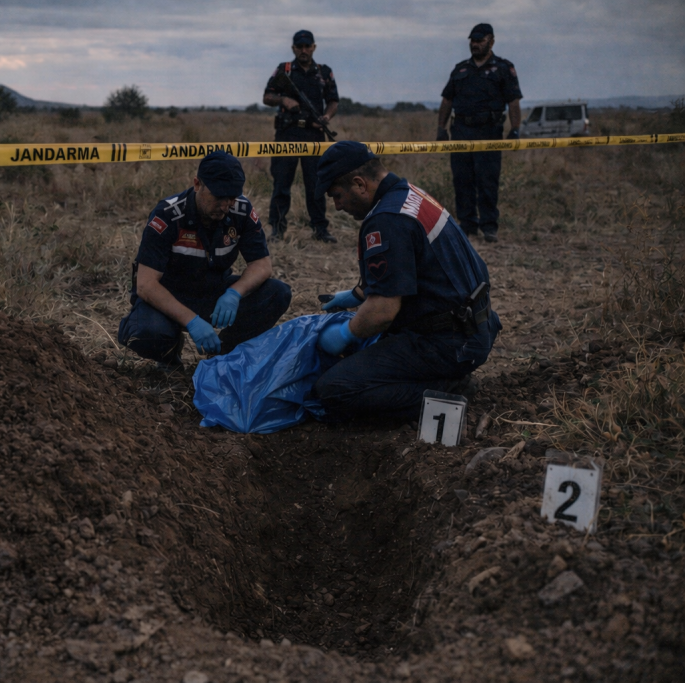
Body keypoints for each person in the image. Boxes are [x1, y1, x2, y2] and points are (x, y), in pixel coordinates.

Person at [310, 141, 502, 421]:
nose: (337, 206)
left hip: (447, 344)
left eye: (337, 195)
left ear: (360, 184)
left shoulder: (387, 220)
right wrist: (357, 294)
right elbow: (414, 268)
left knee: (334, 390)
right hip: (476, 326)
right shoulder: (411, 195)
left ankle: (446, 391)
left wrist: (344, 335)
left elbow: (382, 313)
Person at [117, 151, 292, 369]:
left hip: (214, 292)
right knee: (146, 333)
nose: (226, 204)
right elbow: (145, 284)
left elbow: (262, 265)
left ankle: (223, 355)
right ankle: (169, 353)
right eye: (219, 196)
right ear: (197, 184)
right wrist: (191, 320)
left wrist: (234, 293)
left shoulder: (241, 210)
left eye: (232, 196)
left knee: (278, 293)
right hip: (170, 295)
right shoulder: (169, 214)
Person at [437, 23, 522, 243]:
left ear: (491, 41)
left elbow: (513, 101)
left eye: (480, 41)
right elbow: (447, 100)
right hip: (462, 131)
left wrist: (515, 129)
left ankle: (489, 227)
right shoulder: (460, 69)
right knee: (462, 180)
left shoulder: (503, 68)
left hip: (489, 132)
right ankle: (467, 226)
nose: (475, 45)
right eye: (472, 41)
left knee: (487, 181)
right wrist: (441, 128)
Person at [263, 29, 340, 243]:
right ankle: (277, 230)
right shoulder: (284, 70)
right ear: (293, 48)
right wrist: (283, 101)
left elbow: (333, 100)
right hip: (287, 134)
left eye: (307, 46)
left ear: (314, 47)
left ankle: (320, 230)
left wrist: (326, 116)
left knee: (316, 183)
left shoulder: (324, 72)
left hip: (313, 135)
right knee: (281, 184)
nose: (304, 50)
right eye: (300, 47)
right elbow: (267, 96)